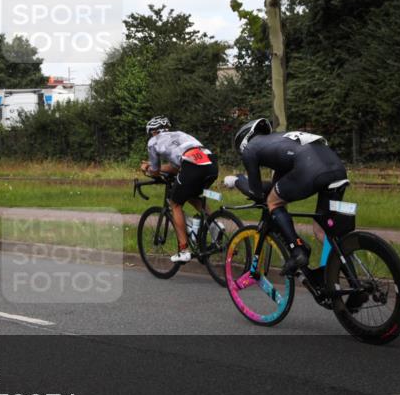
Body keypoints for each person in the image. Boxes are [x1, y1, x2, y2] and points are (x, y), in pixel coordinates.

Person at [230, 118, 348, 276]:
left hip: (311, 168)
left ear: (243, 141)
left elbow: (256, 192)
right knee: (322, 231)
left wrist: (237, 181)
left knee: (273, 203)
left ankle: (298, 250)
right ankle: (350, 277)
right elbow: (277, 186)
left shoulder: (250, 149)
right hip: (337, 168)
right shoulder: (281, 141)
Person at [140, 116, 219, 264]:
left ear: (153, 132)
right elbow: (175, 167)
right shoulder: (180, 134)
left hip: (192, 167)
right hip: (211, 163)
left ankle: (184, 250)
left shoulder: (153, 141)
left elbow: (155, 171)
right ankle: (215, 225)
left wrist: (146, 168)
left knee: (175, 203)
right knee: (191, 194)